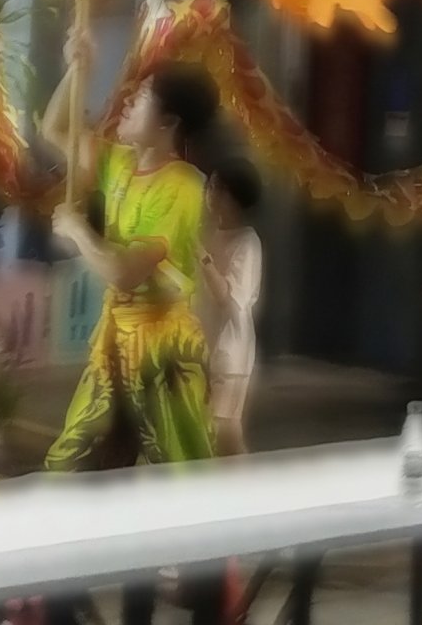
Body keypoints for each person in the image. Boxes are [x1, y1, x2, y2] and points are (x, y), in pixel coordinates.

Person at [41, 54, 223, 625]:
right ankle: (68, 608)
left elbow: (125, 273)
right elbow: (54, 128)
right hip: (114, 344)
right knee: (68, 471)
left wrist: (78, 232)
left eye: (141, 98)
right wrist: (76, 66)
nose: (125, 105)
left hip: (164, 352)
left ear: (168, 123)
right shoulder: (118, 164)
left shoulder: (184, 187)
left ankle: (204, 607)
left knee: (183, 491)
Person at [199, 156, 264, 457]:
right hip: (207, 345)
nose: (210, 194)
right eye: (210, 186)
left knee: (226, 431)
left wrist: (202, 258)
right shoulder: (210, 233)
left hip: (230, 351)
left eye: (218, 188)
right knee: (213, 433)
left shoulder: (247, 242)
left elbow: (227, 297)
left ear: (235, 198)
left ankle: (246, 482)